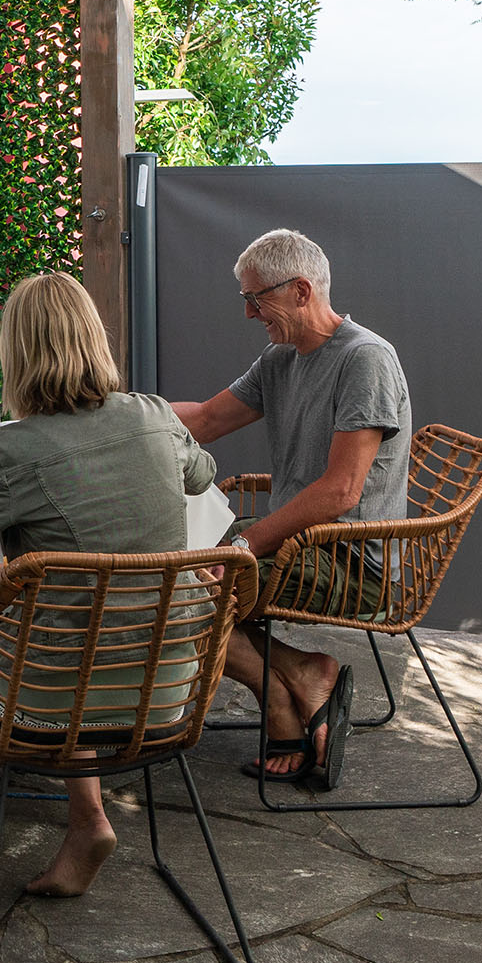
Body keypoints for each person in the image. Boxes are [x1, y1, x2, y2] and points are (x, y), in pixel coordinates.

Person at [0, 272, 217, 897]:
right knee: (80, 617)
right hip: (170, 686)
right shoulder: (155, 414)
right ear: (95, 339)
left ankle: (88, 816)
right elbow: (202, 474)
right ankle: (89, 819)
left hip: (51, 705)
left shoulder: (14, 451)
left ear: (18, 352)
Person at [172, 229, 412, 790]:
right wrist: (118, 412)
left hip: (353, 561)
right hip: (299, 543)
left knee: (178, 593)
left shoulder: (365, 359)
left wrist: (244, 545)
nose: (251, 313)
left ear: (301, 289)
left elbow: (341, 492)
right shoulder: (281, 358)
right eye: (246, 300)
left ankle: (288, 696)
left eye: (257, 299)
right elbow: (206, 420)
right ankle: (296, 677)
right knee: (166, 565)